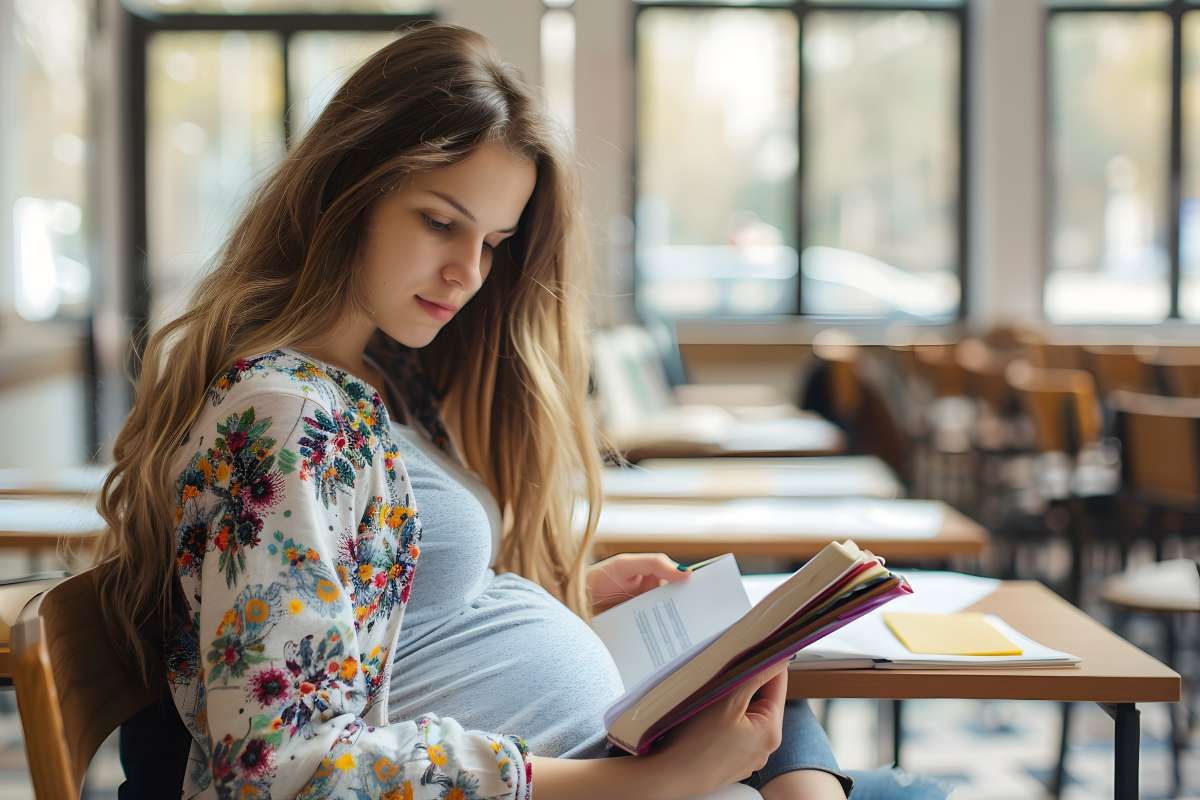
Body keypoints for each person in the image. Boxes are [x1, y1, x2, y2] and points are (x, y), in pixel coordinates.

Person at [96, 22, 948, 800]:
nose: (470, 273)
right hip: (601, 780)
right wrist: (658, 782)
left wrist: (562, 605)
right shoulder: (287, 416)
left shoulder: (383, 380)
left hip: (608, 755)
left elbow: (393, 623)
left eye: (495, 244)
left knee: (800, 706)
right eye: (440, 222)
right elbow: (282, 773)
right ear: (347, 190)